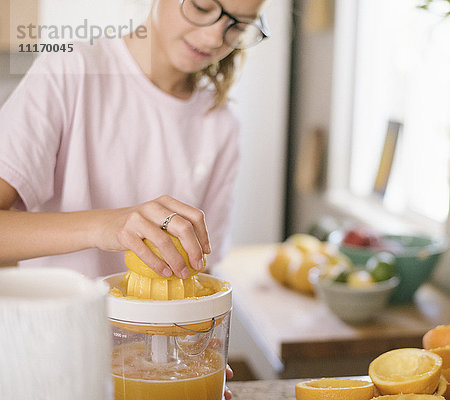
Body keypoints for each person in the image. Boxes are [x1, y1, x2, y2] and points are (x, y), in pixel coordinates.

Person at [0, 0, 270, 397]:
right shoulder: (72, 69)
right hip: (52, 367)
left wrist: (198, 352)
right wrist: (105, 225)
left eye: (239, 24)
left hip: (150, 373)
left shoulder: (221, 125)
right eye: (202, 6)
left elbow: (199, 274)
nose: (215, 36)